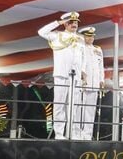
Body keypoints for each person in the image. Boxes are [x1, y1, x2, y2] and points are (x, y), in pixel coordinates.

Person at [37, 12, 86, 140]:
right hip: (61, 74)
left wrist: (83, 72)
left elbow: (83, 57)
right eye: (71, 22)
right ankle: (59, 133)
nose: (74, 25)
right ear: (65, 24)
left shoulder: (81, 38)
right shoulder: (57, 35)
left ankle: (73, 133)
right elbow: (41, 32)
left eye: (75, 23)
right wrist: (57, 22)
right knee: (59, 104)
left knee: (74, 106)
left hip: (75, 76)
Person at [76, 26, 104, 141]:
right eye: (88, 36)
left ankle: (87, 135)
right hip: (83, 83)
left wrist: (101, 79)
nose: (91, 38)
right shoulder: (80, 48)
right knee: (80, 109)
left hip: (95, 82)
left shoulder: (98, 49)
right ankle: (77, 133)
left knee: (91, 110)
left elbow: (100, 67)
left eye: (92, 36)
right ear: (83, 37)